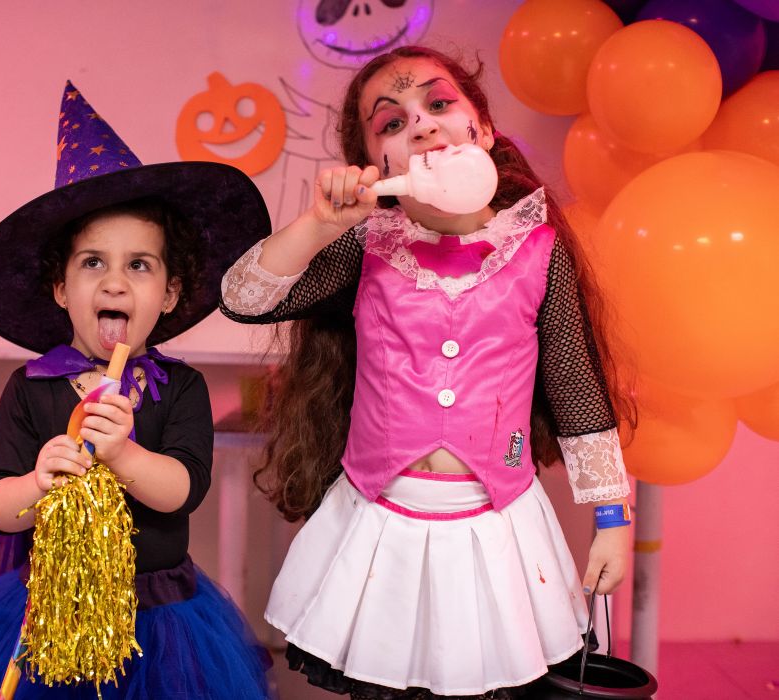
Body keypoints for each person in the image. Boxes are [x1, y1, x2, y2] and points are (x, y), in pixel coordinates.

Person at [220, 46, 636, 700]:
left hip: (497, 525)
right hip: (379, 524)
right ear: (376, 166)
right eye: (391, 123)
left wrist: (612, 518)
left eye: (439, 104)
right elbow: (244, 300)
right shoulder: (366, 245)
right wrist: (319, 223)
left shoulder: (538, 249)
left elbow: (574, 384)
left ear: (484, 131)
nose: (420, 124)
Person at [0, 83, 274, 699]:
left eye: (139, 265)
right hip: (53, 620)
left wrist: (124, 454)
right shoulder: (30, 388)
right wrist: (36, 482)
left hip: (161, 622)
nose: (115, 282)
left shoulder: (181, 388)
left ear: (168, 294)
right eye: (92, 263)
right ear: (61, 289)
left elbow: (183, 492)